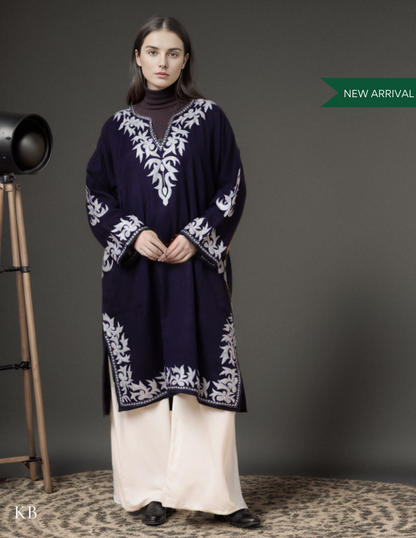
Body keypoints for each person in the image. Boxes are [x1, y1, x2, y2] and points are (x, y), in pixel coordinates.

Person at [86, 15, 260, 529]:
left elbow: (232, 185)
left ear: (185, 61)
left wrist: (197, 235)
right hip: (134, 271)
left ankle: (217, 496)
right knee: (139, 373)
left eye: (173, 53)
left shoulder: (210, 118)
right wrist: (131, 233)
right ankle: (150, 493)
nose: (162, 62)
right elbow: (96, 193)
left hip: (195, 266)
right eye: (153, 51)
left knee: (204, 374)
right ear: (138, 58)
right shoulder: (116, 128)